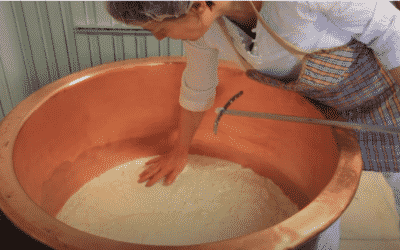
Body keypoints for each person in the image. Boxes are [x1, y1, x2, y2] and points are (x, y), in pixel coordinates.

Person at [105, 2, 400, 249]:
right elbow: (198, 88)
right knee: (322, 194)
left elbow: (391, 31)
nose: (159, 38)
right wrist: (181, 149)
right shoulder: (205, 32)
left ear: (195, 7)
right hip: (322, 108)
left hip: (386, 93)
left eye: (159, 29)